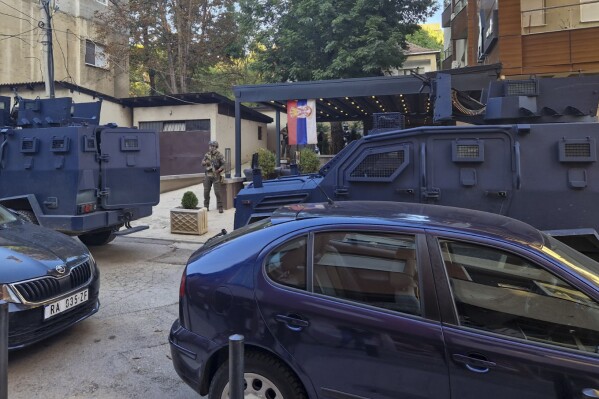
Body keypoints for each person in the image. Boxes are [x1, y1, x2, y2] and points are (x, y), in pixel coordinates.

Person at [201, 140, 225, 213]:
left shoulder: (219, 155)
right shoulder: (207, 154)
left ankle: (220, 207)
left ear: (215, 147)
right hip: (208, 175)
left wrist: (218, 170)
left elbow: (224, 164)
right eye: (210, 146)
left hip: (216, 175)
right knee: (206, 192)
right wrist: (205, 162)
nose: (210, 147)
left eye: (212, 146)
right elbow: (202, 163)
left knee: (217, 192)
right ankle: (206, 206)